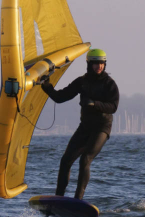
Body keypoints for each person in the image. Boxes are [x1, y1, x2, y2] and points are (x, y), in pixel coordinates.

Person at [39, 48, 119, 201]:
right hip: (85, 127)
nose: (99, 66)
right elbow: (60, 97)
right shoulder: (82, 82)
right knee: (65, 160)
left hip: (102, 128)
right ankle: (59, 198)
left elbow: (113, 107)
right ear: (89, 64)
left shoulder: (110, 84)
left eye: (102, 63)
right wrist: (47, 87)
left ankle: (78, 200)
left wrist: (94, 104)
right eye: (96, 63)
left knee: (85, 159)